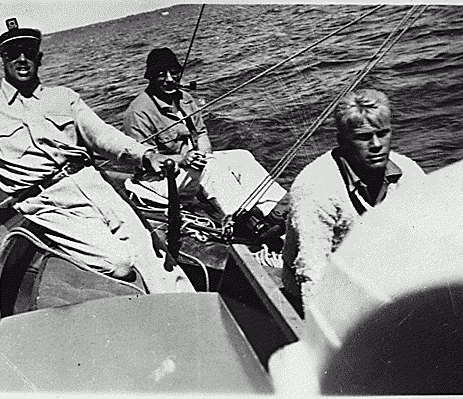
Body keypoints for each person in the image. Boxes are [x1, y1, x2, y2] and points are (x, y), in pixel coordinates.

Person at [0, 17, 193, 293]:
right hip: (47, 203)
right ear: (2, 59)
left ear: (39, 57)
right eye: (13, 52)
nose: (21, 59)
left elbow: (102, 135)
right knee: (119, 263)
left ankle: (192, 315)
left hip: (93, 183)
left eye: (28, 52)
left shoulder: (63, 96)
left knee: (151, 252)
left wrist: (145, 155)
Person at [281, 88, 426, 311]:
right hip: (328, 285)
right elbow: (312, 271)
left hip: (377, 272)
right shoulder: (315, 187)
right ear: (342, 141)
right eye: (364, 137)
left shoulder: (408, 172)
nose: (377, 145)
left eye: (383, 133)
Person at [123, 47, 288, 241]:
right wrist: (183, 159)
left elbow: (201, 135)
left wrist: (202, 156)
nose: (169, 79)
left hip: (190, 169)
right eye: (161, 75)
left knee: (242, 157)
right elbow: (145, 160)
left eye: (174, 73)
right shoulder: (138, 113)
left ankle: (280, 211)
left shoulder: (184, 98)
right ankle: (245, 225)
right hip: (157, 180)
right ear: (150, 77)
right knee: (210, 168)